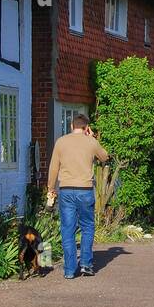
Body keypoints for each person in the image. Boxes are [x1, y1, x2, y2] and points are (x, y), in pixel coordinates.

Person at [45, 114, 110, 279]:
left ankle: (69, 270)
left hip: (66, 190)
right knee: (87, 226)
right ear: (86, 127)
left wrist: (51, 188)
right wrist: (92, 137)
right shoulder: (91, 142)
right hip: (85, 190)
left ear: (71, 126)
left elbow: (53, 168)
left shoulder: (61, 142)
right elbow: (104, 157)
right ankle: (86, 265)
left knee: (68, 229)